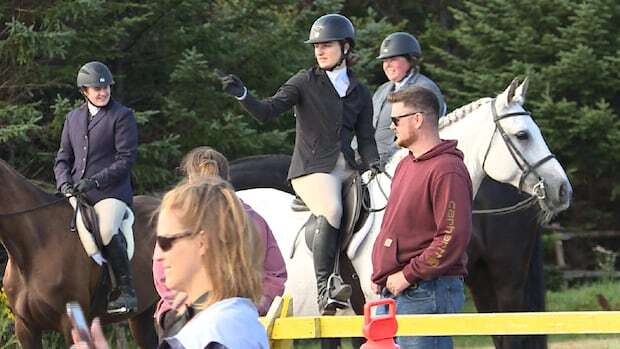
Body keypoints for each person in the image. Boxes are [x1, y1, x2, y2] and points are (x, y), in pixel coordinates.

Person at [219, 13, 380, 315]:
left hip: (347, 167)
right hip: (312, 170)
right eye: (316, 46)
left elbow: (367, 137)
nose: (319, 50)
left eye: (326, 45)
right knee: (331, 209)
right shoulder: (304, 81)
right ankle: (325, 289)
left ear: (345, 48)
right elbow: (268, 111)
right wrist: (243, 95)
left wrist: (373, 163)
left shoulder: (360, 91)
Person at [72, 178, 270, 348]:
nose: (156, 256)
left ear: (202, 242)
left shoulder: (217, 332)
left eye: (165, 242)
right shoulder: (228, 323)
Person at [370, 86, 472, 348]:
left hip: (427, 291)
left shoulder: (447, 169)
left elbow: (451, 237)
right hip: (395, 291)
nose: (391, 127)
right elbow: (394, 226)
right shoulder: (406, 164)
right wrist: (381, 273)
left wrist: (407, 275)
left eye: (395, 120)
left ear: (417, 119)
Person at [153, 146, 287, 335]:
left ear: (190, 180)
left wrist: (194, 305)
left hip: (186, 317)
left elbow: (162, 274)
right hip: (243, 314)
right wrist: (257, 304)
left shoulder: (177, 219)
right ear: (228, 178)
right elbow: (276, 274)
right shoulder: (254, 220)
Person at [54, 61, 139, 314]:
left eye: (106, 88)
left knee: (105, 230)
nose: (103, 93)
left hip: (110, 192)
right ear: (84, 91)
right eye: (96, 89)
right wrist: (64, 183)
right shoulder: (73, 118)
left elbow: (125, 159)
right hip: (77, 192)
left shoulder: (122, 116)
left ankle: (126, 292)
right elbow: (62, 158)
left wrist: (95, 180)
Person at [373, 32, 447, 163]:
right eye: (385, 60)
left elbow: (423, 136)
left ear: (411, 60)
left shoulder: (425, 89)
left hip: (397, 162)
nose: (387, 65)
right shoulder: (382, 90)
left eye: (393, 59)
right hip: (369, 160)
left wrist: (387, 160)